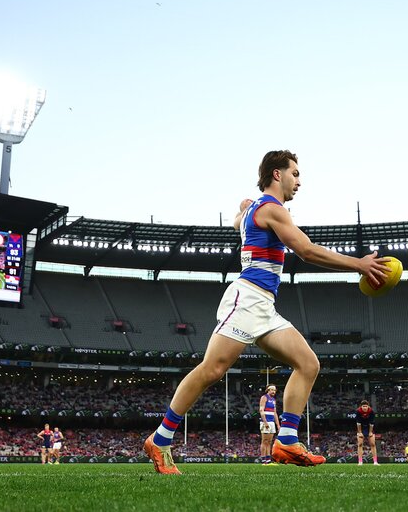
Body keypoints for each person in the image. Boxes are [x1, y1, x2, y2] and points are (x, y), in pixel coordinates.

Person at [144, 151, 391, 474]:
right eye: (295, 173)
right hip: (247, 299)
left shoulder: (256, 210)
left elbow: (240, 220)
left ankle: (287, 440)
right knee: (212, 370)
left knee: (308, 363)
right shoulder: (273, 209)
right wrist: (358, 264)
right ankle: (160, 440)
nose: (299, 181)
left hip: (264, 306)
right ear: (277, 174)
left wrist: (243, 208)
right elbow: (305, 249)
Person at [259, 385, 279, 465]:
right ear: (268, 390)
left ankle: (268, 460)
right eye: (272, 390)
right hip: (266, 422)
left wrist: (278, 424)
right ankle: (264, 460)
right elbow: (261, 410)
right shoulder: (264, 397)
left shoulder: (273, 400)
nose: (273, 391)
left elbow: (275, 413)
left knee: (269, 442)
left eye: (274, 390)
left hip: (271, 422)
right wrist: (265, 422)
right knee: (264, 441)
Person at [355, 400, 378, 465]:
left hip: (369, 427)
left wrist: (370, 432)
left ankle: (375, 462)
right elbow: (358, 423)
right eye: (363, 406)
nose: (365, 407)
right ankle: (360, 461)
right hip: (361, 427)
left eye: (366, 406)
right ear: (361, 407)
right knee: (360, 444)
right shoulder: (358, 411)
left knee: (373, 444)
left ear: (368, 406)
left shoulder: (371, 412)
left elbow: (371, 423)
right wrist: (360, 432)